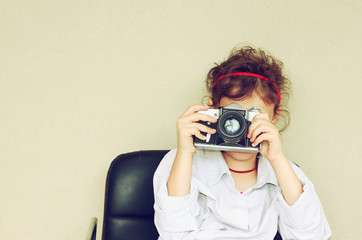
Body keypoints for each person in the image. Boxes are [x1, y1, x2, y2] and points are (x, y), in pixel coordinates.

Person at [153, 45, 331, 240]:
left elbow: (312, 237)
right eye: (233, 116)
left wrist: (278, 160)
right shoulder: (180, 162)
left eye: (252, 116)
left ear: (274, 117)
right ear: (213, 110)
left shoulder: (282, 170)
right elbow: (172, 234)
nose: (240, 128)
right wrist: (185, 154)